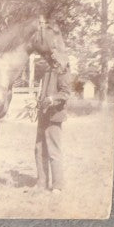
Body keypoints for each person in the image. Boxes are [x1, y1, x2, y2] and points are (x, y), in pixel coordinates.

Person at [34, 48, 72, 193]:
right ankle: (41, 183)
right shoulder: (47, 70)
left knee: (53, 151)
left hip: (54, 115)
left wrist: (51, 99)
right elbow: (43, 93)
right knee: (39, 149)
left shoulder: (62, 69)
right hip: (43, 114)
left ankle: (57, 186)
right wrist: (37, 102)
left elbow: (66, 93)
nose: (47, 57)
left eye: (50, 54)